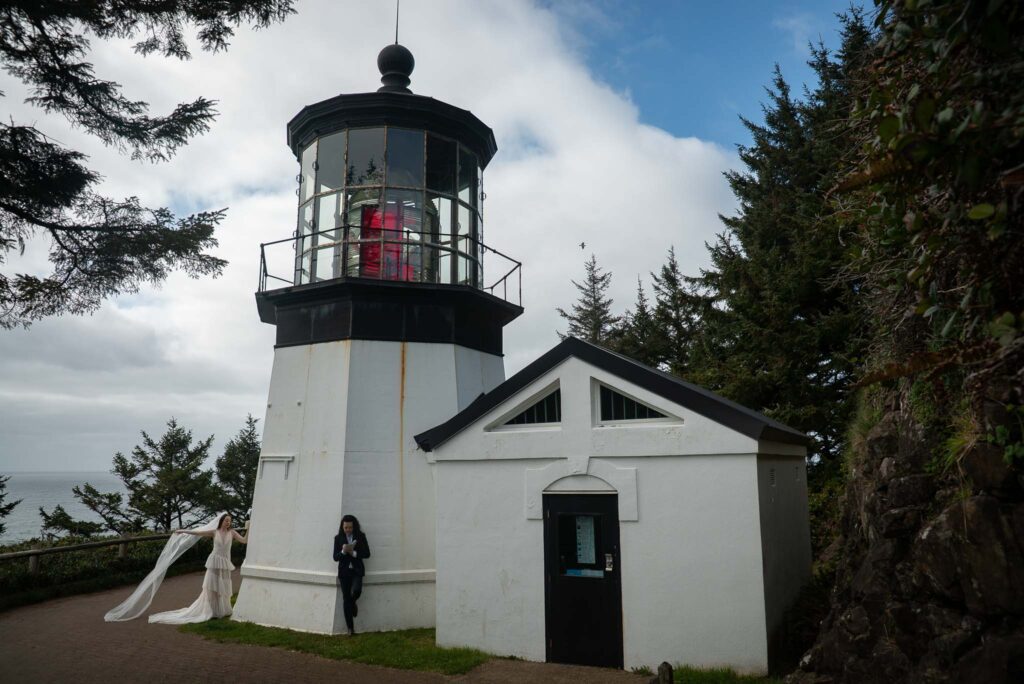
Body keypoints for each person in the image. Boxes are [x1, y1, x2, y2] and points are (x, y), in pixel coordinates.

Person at [104, 511, 248, 624]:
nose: (228, 523)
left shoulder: (233, 533)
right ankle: (210, 611)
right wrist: (184, 531)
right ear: (221, 521)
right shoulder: (214, 532)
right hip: (214, 562)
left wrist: (249, 527)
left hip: (225, 562)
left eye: (229, 521)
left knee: (222, 587)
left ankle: (221, 611)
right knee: (211, 587)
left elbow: (244, 540)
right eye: (226, 520)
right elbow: (198, 532)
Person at [333, 514, 370, 635]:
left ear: (354, 526)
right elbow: (335, 557)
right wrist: (343, 551)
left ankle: (353, 602)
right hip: (344, 572)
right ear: (342, 527)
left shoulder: (361, 536)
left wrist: (354, 553)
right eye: (346, 527)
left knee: (357, 590)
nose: (348, 530)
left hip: (357, 570)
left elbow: (367, 553)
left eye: (350, 527)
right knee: (345, 598)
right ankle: (350, 628)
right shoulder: (338, 538)